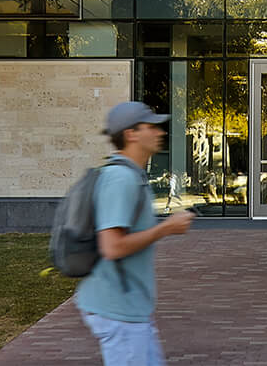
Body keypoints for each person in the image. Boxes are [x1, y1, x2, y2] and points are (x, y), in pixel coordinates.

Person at [74, 101, 197, 366]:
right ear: (131, 134)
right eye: (151, 127)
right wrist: (166, 228)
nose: (160, 132)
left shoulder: (133, 176)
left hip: (131, 310)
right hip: (118, 311)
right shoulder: (121, 179)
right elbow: (112, 247)